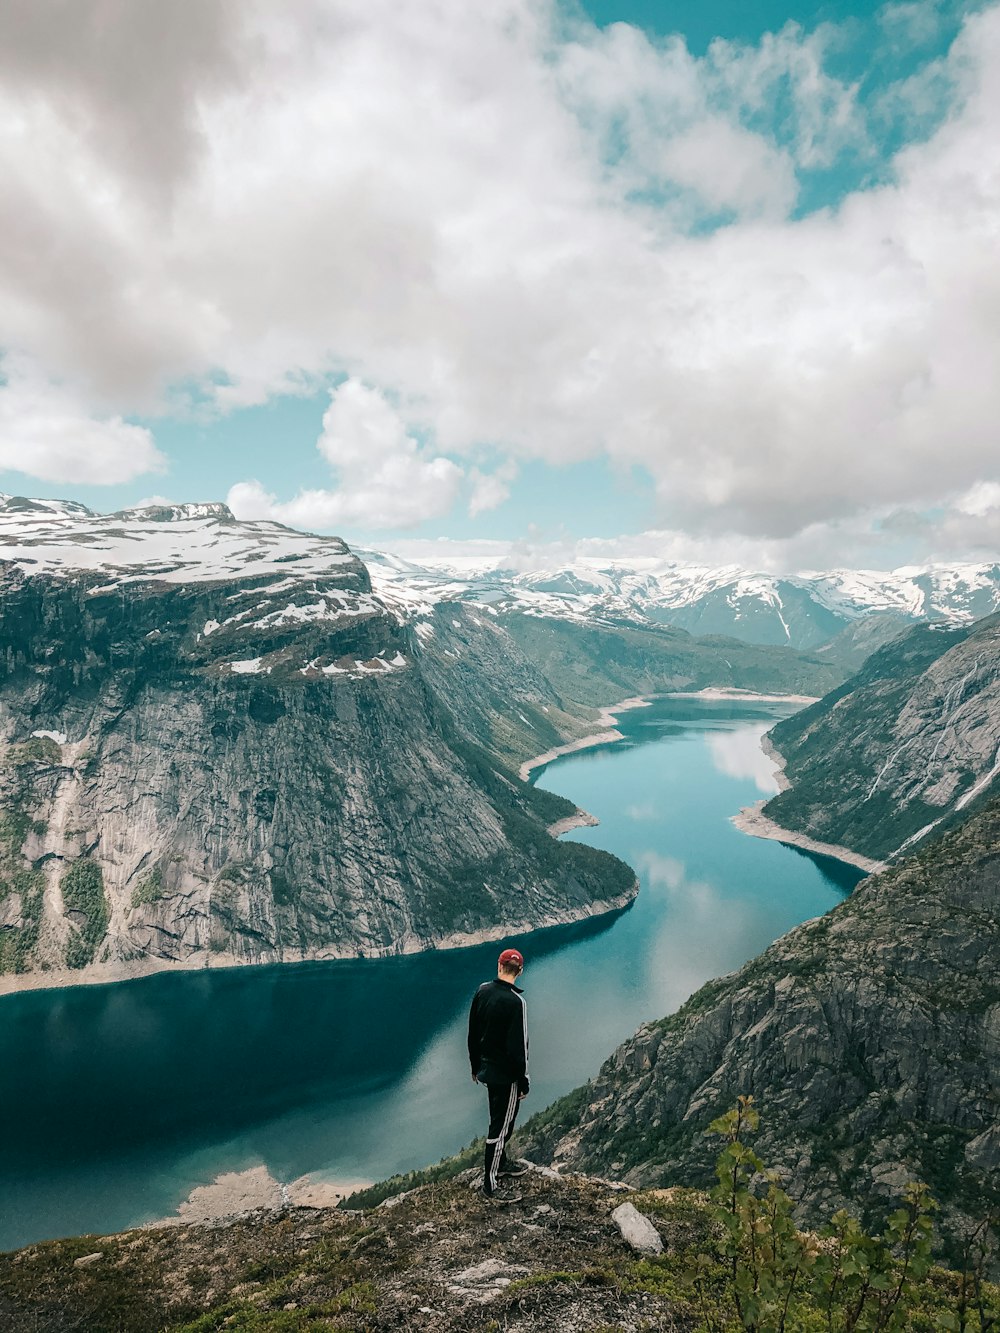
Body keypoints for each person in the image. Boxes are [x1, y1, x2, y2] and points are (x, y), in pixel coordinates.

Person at [467, 946, 530, 1202]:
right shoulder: (517, 1002)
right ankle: (490, 1186)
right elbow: (519, 1047)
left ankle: (501, 1163)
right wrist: (523, 1081)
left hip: (487, 1069)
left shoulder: (483, 991)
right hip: (506, 1076)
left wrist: (474, 1066)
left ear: (499, 965)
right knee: (500, 1127)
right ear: (520, 971)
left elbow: (473, 1032)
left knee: (504, 1119)